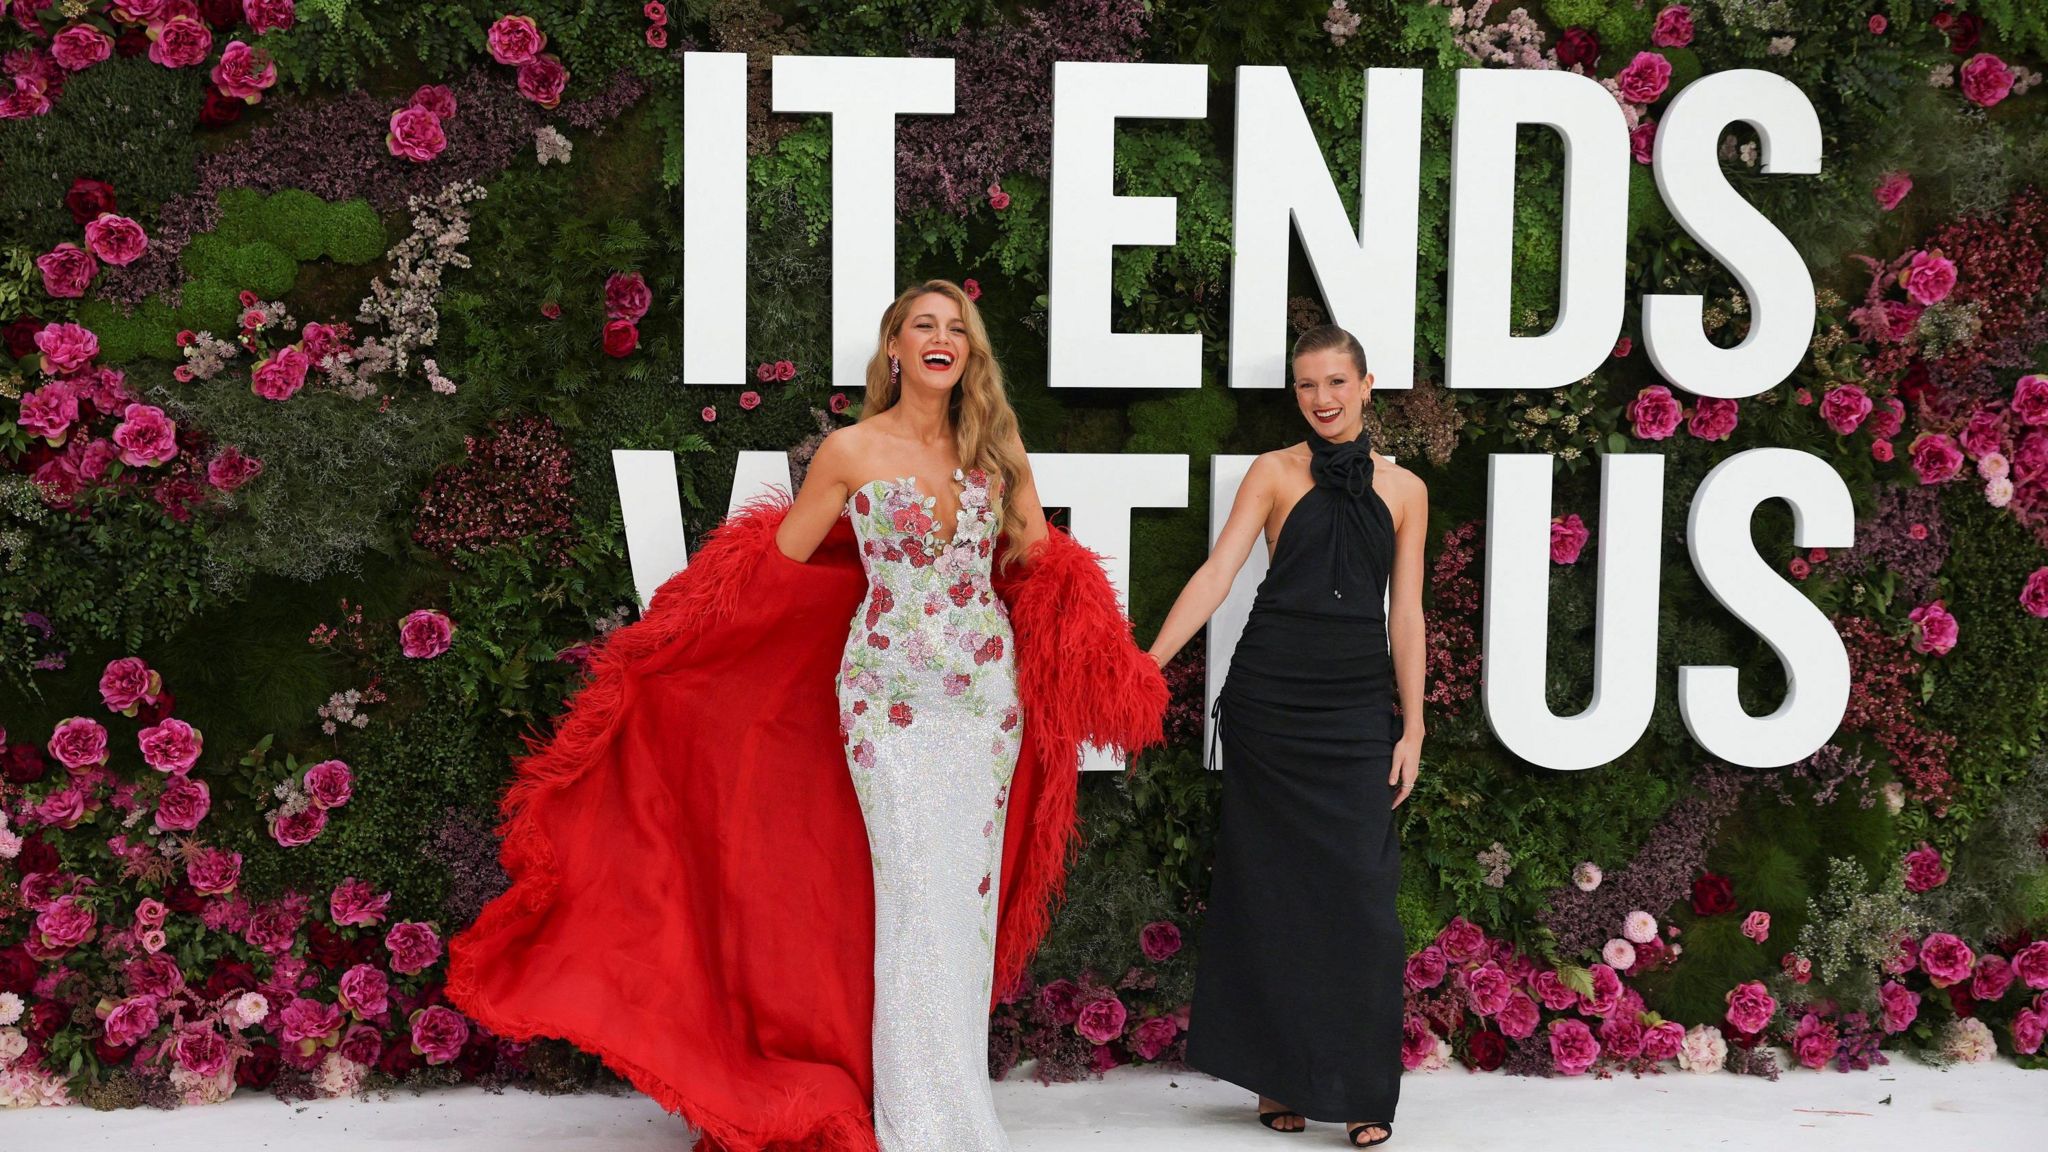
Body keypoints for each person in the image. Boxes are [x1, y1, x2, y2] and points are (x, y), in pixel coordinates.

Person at [447, 279, 1167, 1152]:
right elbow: (773, 577)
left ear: (970, 352)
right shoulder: (849, 451)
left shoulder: (996, 445)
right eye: (921, 326)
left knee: (961, 904)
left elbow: (1039, 560)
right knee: (908, 899)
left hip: (983, 708)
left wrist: (1098, 644)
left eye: (956, 329)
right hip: (888, 708)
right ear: (893, 348)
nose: (940, 339)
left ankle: (958, 1107)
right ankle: (914, 1120)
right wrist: (678, 643)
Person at [1145, 324, 1427, 1148]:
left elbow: (1404, 614)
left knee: (1363, 904)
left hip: (1355, 710)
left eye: (1336, 382)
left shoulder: (1405, 490)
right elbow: (1218, 574)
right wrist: (1149, 664)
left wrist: (1412, 725)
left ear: (1367, 384)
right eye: (1307, 386)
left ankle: (1365, 1088)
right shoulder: (1272, 473)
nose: (1322, 399)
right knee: (1271, 894)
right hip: (1271, 704)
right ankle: (1277, 1077)